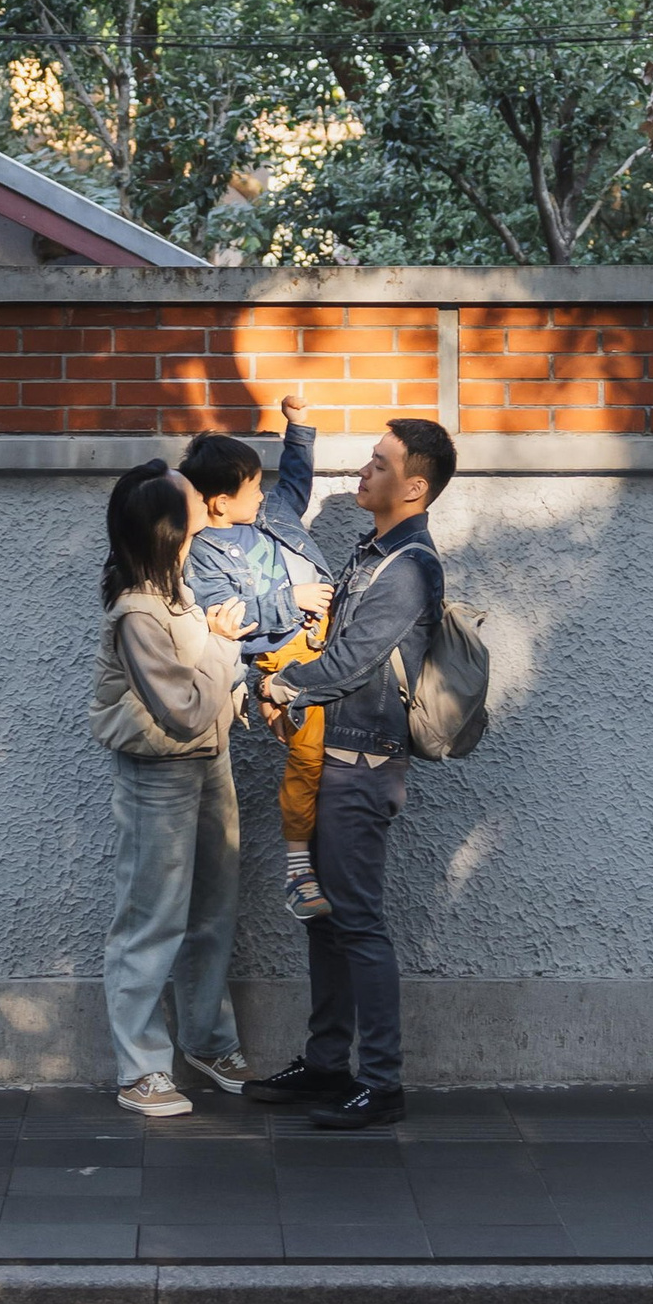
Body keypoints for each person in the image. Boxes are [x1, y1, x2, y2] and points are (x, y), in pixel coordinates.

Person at [244, 414, 456, 1131]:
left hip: (362, 765)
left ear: (415, 486)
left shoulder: (410, 566)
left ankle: (383, 1082)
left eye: (378, 464)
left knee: (359, 922)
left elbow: (353, 658)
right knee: (327, 922)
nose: (362, 473)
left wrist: (281, 686)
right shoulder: (371, 552)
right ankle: (328, 1062)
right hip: (331, 755)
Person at [90, 465, 252, 1116]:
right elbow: (182, 707)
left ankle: (209, 1043)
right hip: (158, 774)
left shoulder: (178, 595)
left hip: (209, 766)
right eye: (187, 497)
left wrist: (242, 685)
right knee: (150, 920)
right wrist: (220, 648)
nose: (199, 499)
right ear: (169, 525)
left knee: (213, 912)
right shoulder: (137, 612)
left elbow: (207, 694)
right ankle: (141, 1070)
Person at [182, 396, 336, 922]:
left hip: (325, 638)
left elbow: (294, 483)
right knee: (310, 757)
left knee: (338, 754)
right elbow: (227, 619)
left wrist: (301, 428)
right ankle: (298, 867)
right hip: (281, 662)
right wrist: (289, 602)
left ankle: (324, 844)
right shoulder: (201, 552)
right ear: (221, 502)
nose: (262, 492)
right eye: (251, 486)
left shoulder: (269, 513)